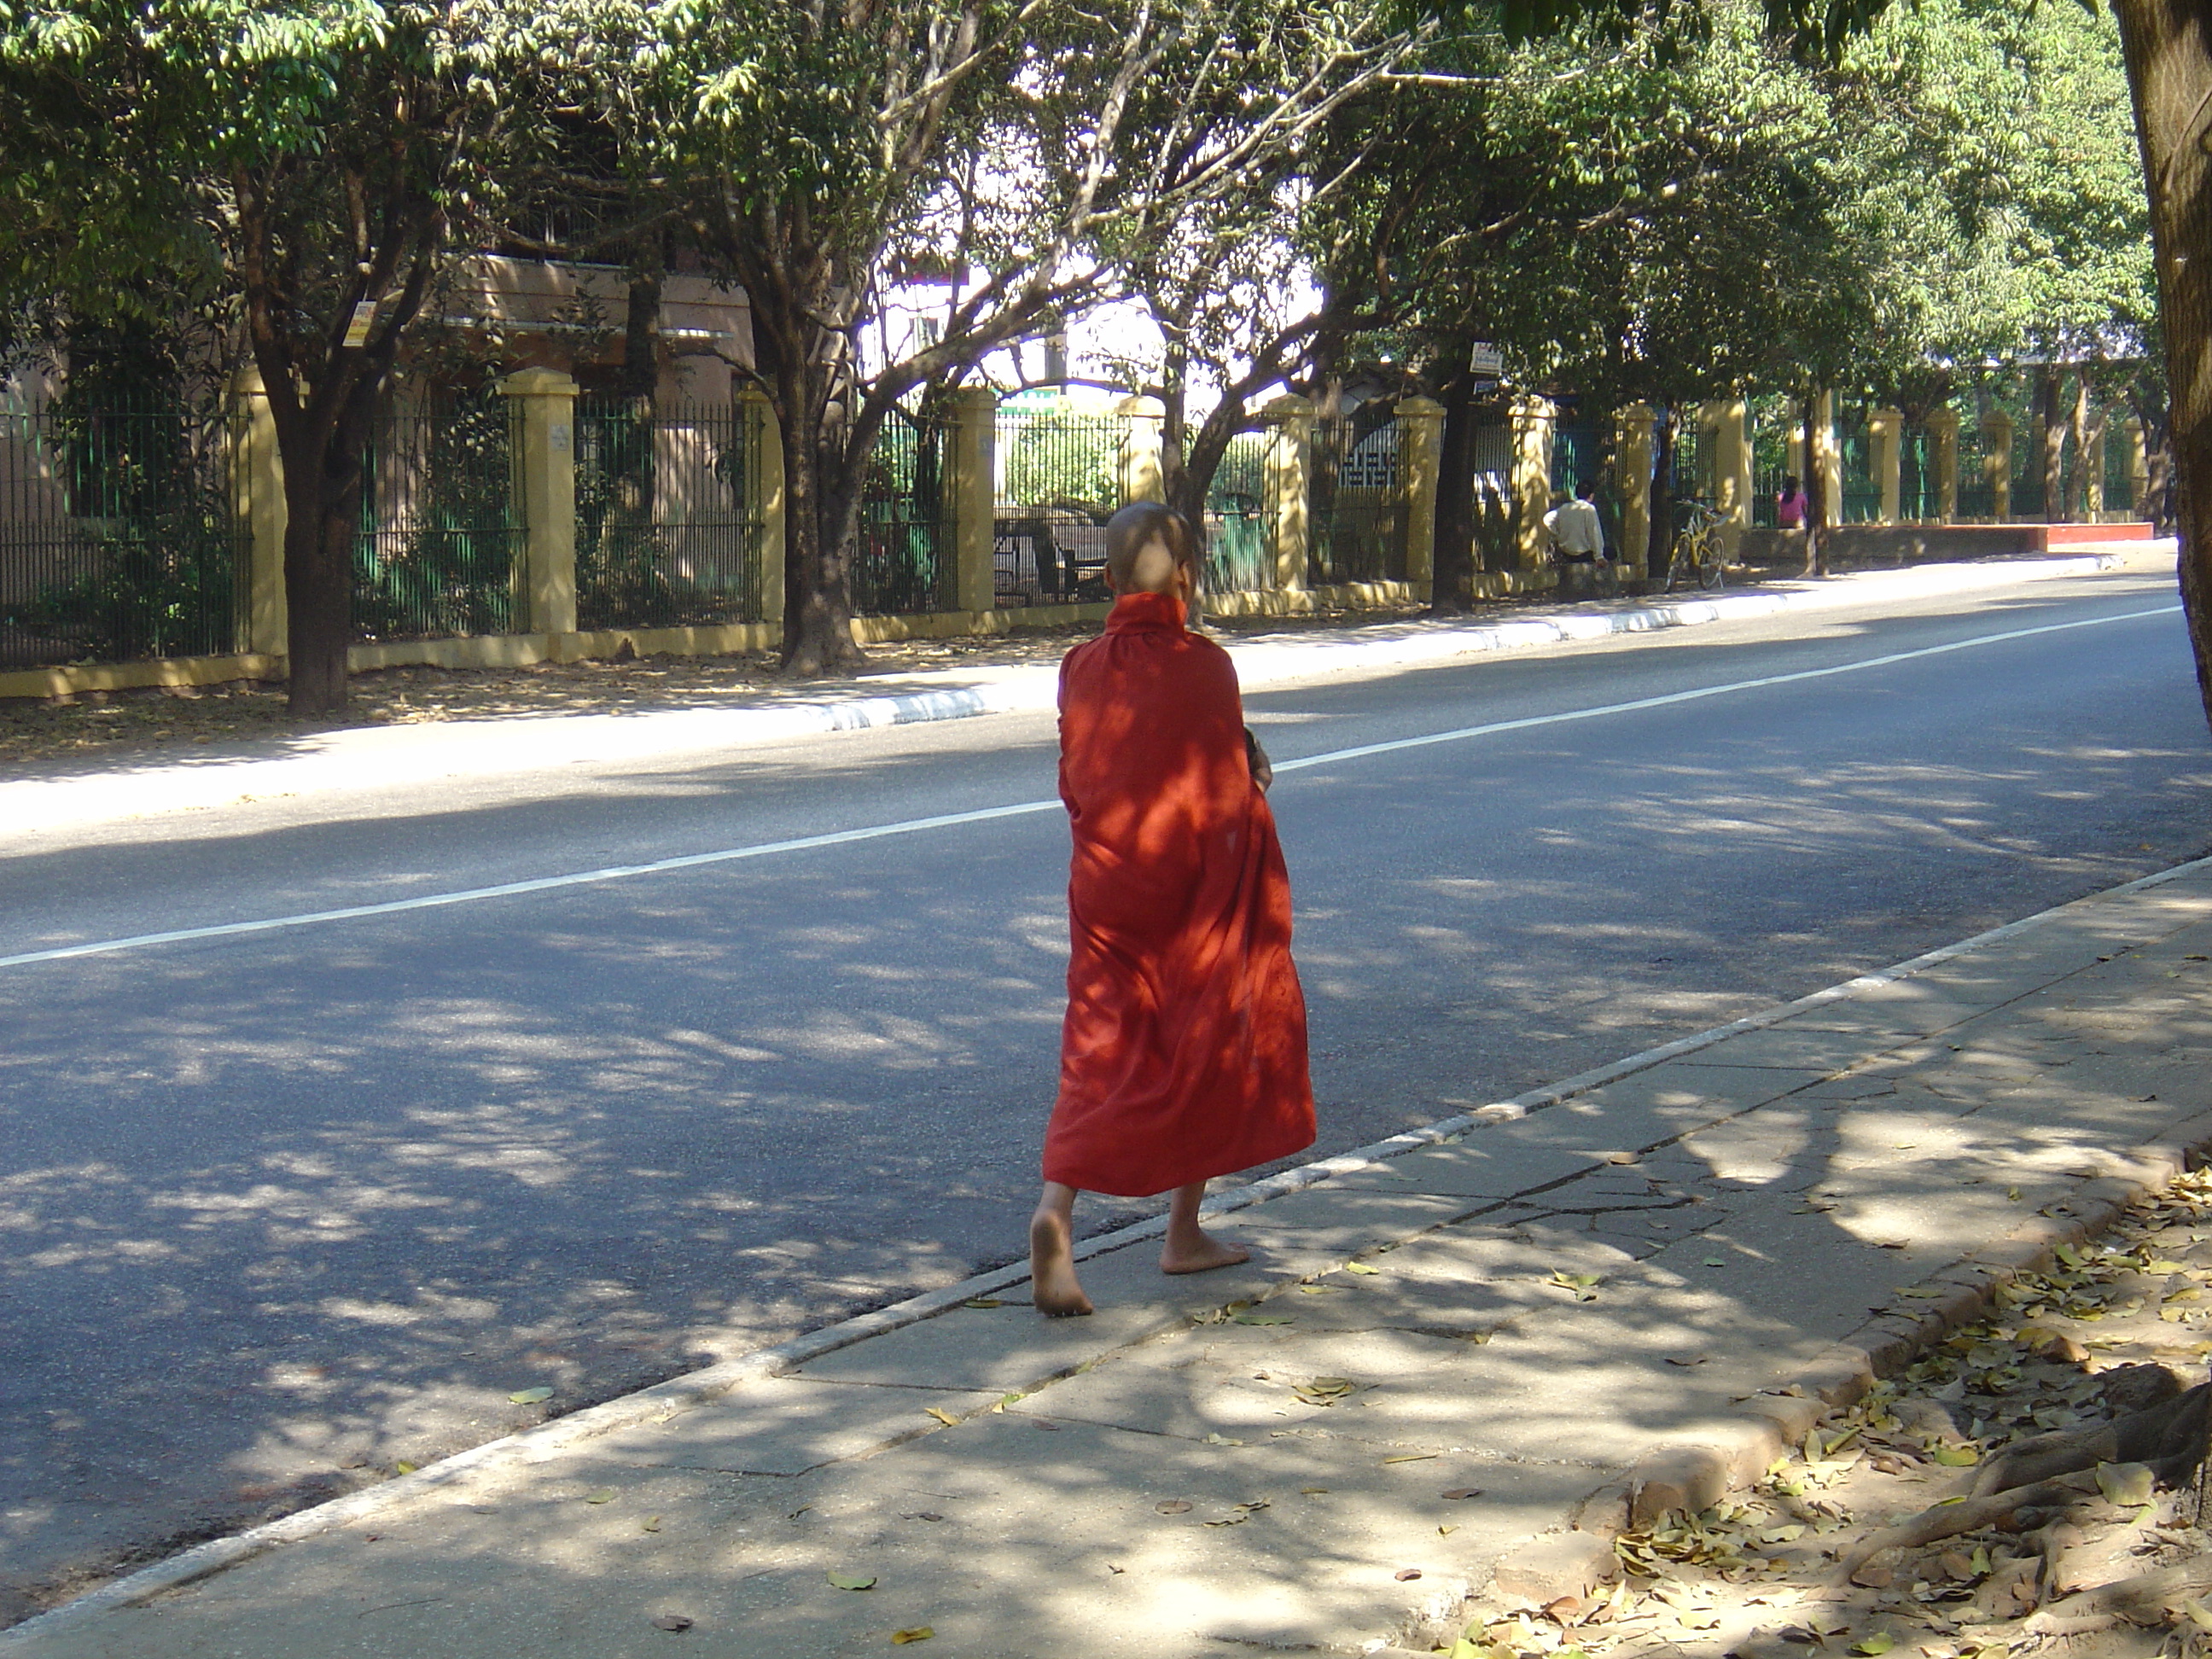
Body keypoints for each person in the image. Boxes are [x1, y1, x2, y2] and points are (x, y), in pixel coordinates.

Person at [1027, 501, 1316, 1318]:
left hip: (1110, 891)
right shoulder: (1209, 667)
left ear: (1109, 580)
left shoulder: (1079, 666)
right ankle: (1183, 1233)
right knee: (1206, 1036)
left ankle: (1058, 1209)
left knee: (1099, 1044)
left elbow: (1076, 779)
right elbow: (1225, 785)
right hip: (1193, 892)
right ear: (1188, 578)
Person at [1544, 478, 1609, 588]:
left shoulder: (1565, 508)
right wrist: (1599, 556)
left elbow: (1547, 519)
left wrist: (1557, 534)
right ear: (1591, 495)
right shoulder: (1589, 509)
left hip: (1566, 551)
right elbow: (1594, 533)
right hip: (1584, 553)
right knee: (1612, 553)